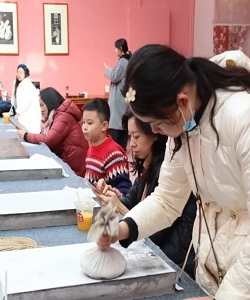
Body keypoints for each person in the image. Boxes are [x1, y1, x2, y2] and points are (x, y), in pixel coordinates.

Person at [96, 45, 250, 299]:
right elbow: (167, 199)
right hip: (216, 266)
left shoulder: (241, 117)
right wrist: (122, 229)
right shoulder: (184, 124)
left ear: (181, 101)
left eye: (156, 124)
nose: (155, 133)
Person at [94, 110, 197, 278]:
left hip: (174, 263)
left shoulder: (168, 171)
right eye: (129, 136)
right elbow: (132, 201)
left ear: (155, 133)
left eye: (137, 136)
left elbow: (155, 231)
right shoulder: (146, 166)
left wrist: (118, 209)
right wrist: (115, 197)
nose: (131, 145)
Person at [17, 87, 88, 177]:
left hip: (73, 169)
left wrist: (26, 135)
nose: (41, 109)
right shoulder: (57, 115)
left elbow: (49, 140)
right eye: (40, 106)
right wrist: (43, 128)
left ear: (50, 102)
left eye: (42, 105)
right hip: (69, 162)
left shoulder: (63, 116)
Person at [81, 98, 131, 196]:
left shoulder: (113, 154)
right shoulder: (92, 145)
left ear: (104, 126)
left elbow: (124, 189)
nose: (85, 127)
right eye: (83, 122)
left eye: (90, 123)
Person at [104, 38, 131, 151]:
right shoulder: (128, 60)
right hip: (123, 100)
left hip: (119, 101)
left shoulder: (123, 61)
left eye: (116, 48)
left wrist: (107, 69)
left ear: (120, 48)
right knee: (121, 132)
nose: (115, 50)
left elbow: (114, 77)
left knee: (116, 137)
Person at [11, 64, 41, 133]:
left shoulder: (27, 86)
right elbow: (15, 102)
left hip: (29, 118)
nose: (19, 74)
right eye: (18, 72)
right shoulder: (21, 85)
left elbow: (25, 103)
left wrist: (18, 113)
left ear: (26, 73)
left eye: (21, 72)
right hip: (25, 117)